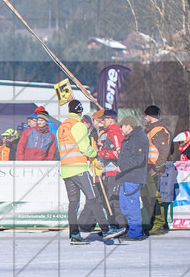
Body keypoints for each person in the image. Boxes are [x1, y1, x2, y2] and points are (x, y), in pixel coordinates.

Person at [56, 99, 124, 245]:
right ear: (80, 111)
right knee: (94, 198)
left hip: (66, 170)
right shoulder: (78, 125)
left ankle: (74, 234)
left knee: (73, 203)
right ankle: (106, 230)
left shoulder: (62, 127)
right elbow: (84, 148)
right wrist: (95, 152)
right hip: (78, 168)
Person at [116, 117, 149, 240]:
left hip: (133, 177)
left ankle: (136, 233)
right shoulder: (132, 137)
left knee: (131, 206)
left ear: (128, 126)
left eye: (122, 126)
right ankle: (132, 231)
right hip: (127, 177)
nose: (121, 128)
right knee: (126, 206)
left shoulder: (138, 138)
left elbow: (138, 159)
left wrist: (122, 167)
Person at [142, 105, 172, 235]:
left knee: (155, 197)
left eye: (145, 116)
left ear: (149, 116)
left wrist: (156, 167)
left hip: (153, 169)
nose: (144, 118)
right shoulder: (152, 130)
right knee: (149, 197)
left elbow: (164, 151)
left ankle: (159, 224)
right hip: (148, 168)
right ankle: (151, 222)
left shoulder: (158, 131)